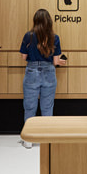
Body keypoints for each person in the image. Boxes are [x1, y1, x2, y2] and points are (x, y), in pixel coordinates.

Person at [19, 9, 66, 149]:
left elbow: (23, 57)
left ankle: (28, 138)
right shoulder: (54, 37)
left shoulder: (29, 36)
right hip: (49, 72)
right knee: (47, 106)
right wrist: (61, 62)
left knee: (30, 106)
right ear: (49, 21)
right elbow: (56, 61)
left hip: (32, 71)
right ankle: (46, 137)